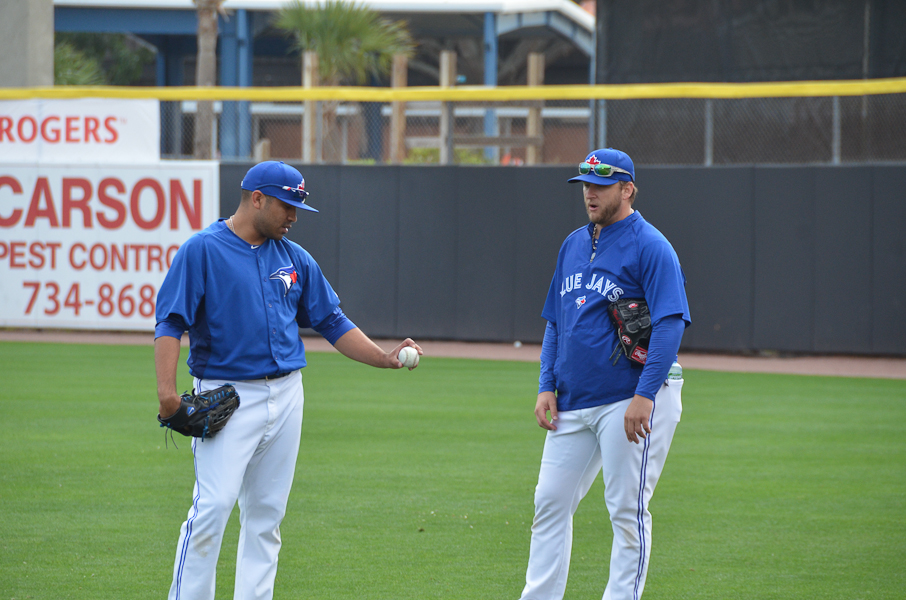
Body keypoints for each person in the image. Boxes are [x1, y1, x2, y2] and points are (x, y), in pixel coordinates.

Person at [154, 160, 422, 600]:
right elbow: (171, 322)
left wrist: (385, 358)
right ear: (256, 199)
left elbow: (332, 321)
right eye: (287, 206)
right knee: (213, 508)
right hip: (227, 395)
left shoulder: (295, 258)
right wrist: (167, 395)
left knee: (266, 516)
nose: (294, 217)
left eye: (298, 207)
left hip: (287, 395)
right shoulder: (202, 249)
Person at [519, 148, 690, 600]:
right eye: (585, 185)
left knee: (626, 511)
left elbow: (671, 322)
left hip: (629, 397)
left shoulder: (651, 245)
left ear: (627, 189)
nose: (590, 193)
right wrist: (546, 384)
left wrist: (646, 394)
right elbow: (557, 321)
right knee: (550, 502)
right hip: (574, 399)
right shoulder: (573, 243)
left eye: (601, 185)